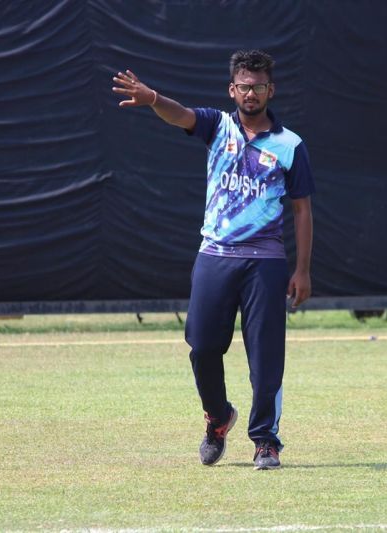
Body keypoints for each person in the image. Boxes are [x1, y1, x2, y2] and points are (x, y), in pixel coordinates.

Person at [112, 50, 315, 470]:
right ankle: (218, 417)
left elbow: (302, 209)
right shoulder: (217, 126)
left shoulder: (290, 145)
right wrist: (153, 99)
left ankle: (265, 441)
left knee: (265, 355)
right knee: (202, 347)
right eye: (244, 85)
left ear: (270, 90)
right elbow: (181, 115)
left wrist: (302, 269)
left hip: (265, 260)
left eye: (259, 85)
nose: (251, 92)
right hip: (215, 255)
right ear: (232, 89)